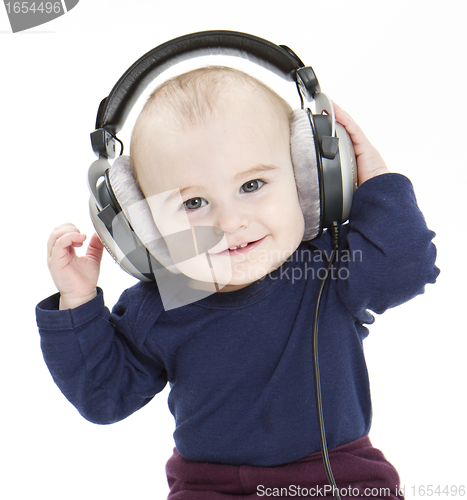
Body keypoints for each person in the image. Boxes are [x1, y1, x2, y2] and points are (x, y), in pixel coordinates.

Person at [36, 66, 439, 499]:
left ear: (312, 181)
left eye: (252, 184)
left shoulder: (327, 269)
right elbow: (104, 397)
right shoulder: (159, 306)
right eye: (193, 202)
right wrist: (76, 305)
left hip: (340, 478)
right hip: (209, 487)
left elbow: (405, 268)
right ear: (142, 227)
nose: (229, 222)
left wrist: (375, 178)